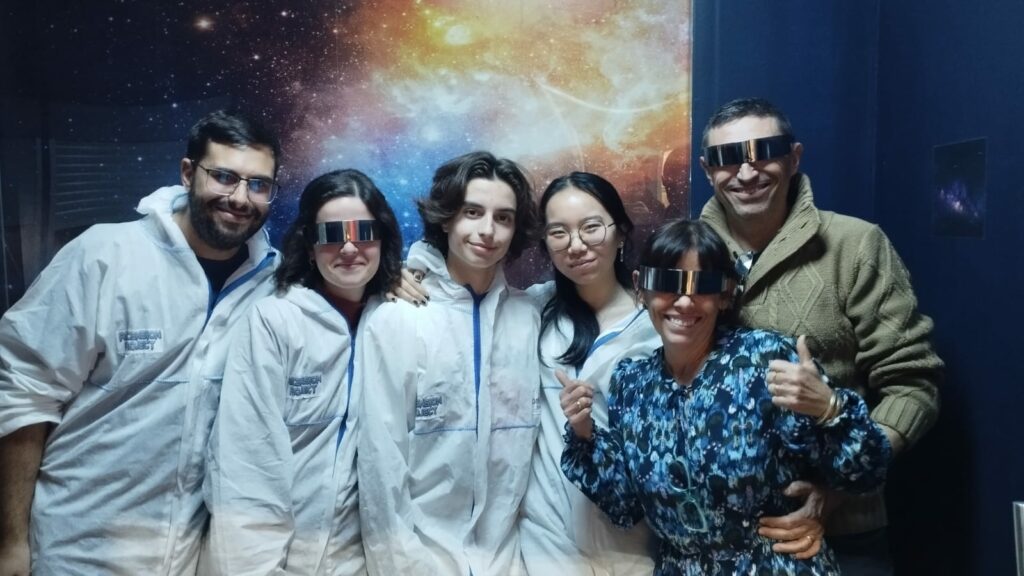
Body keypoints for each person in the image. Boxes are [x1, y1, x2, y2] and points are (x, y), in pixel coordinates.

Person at [0, 109, 282, 576]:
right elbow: (23, 393)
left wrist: (396, 279)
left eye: (258, 184)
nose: (239, 198)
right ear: (188, 173)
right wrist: (10, 543)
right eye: (224, 177)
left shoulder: (273, 283)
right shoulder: (106, 255)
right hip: (77, 550)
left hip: (189, 557)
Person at [560, 218, 892, 574]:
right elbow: (625, 507)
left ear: (724, 294)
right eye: (668, 282)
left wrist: (830, 409)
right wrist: (584, 434)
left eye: (702, 285)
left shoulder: (766, 360)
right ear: (642, 288)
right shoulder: (632, 384)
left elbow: (866, 473)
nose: (684, 301)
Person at [697, 97, 943, 574]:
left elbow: (913, 385)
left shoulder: (855, 245)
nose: (746, 173)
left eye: (764, 151)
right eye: (727, 158)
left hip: (843, 533)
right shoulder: (686, 253)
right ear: (708, 171)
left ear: (794, 158)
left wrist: (837, 490)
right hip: (719, 539)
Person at [203, 170, 402, 575]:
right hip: (270, 562)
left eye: (364, 232)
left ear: (382, 240)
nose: (349, 247)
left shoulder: (395, 323)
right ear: (310, 247)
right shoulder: (274, 321)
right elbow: (245, 465)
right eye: (332, 234)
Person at [356, 151, 542, 575]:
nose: (488, 230)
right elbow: (381, 463)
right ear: (445, 219)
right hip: (420, 559)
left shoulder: (529, 317)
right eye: (472, 212)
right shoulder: (397, 316)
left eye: (503, 218)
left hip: (506, 560)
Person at [518, 172, 661, 575]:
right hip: (546, 538)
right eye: (558, 233)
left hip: (631, 541)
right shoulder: (533, 310)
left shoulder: (658, 322)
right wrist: (414, 274)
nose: (576, 245)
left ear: (621, 233)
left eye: (591, 227)